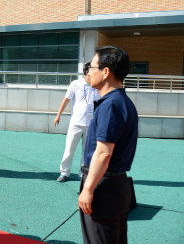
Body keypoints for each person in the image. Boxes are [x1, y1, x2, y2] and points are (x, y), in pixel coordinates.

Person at [78, 46, 138, 244]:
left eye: (91, 67)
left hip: (103, 187)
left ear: (105, 72)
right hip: (116, 185)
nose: (88, 72)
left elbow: (103, 153)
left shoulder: (111, 105)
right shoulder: (123, 101)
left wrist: (87, 189)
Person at [54, 63, 101, 182]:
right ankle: (64, 173)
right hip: (76, 123)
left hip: (91, 125)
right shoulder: (76, 84)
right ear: (87, 72)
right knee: (69, 149)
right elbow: (66, 100)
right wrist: (58, 115)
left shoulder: (99, 86)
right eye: (95, 70)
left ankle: (83, 174)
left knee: (87, 151)